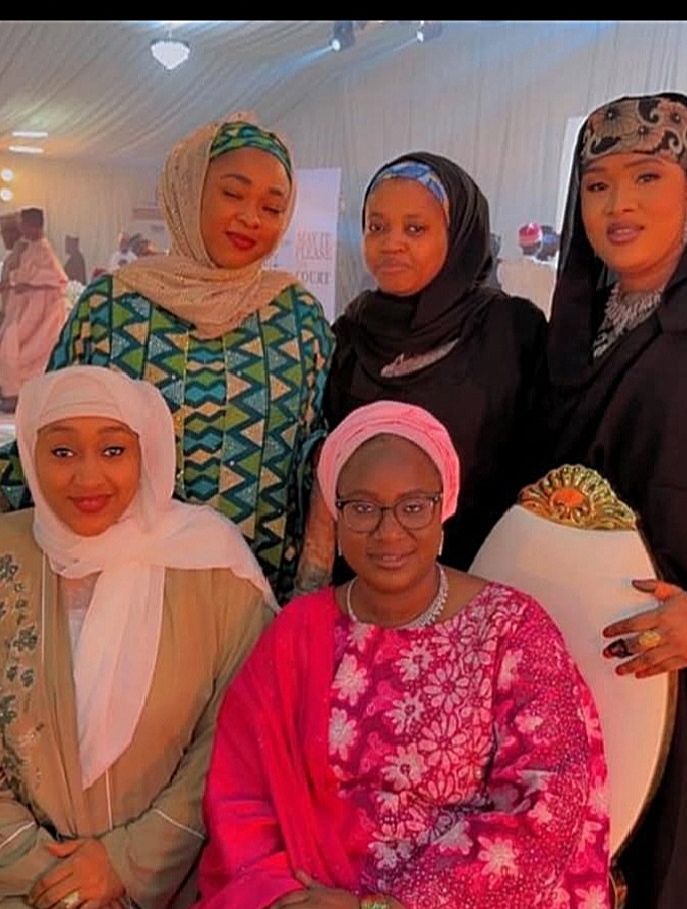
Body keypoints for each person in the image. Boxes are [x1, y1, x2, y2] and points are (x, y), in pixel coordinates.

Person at [196, 400, 610, 909]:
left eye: (413, 506)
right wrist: (282, 895)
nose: (388, 532)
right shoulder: (296, 635)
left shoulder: (512, 629)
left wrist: (387, 906)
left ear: (443, 509)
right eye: (362, 507)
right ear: (337, 515)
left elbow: (550, 805)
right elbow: (241, 797)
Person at [0, 114, 334, 602]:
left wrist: (311, 591)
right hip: (118, 592)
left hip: (258, 597)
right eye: (233, 194)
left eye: (272, 207)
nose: (252, 217)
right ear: (188, 190)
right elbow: (52, 430)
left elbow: (320, 455)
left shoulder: (297, 318)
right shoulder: (113, 307)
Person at [0, 364, 274, 909]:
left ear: (146, 452)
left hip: (175, 884)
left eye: (113, 450)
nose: (88, 477)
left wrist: (126, 863)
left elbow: (238, 736)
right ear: (31, 456)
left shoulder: (215, 568)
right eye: (62, 452)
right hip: (5, 883)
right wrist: (42, 870)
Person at [546, 90, 687, 909]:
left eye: (647, 176)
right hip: (580, 668)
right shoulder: (570, 331)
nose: (618, 204)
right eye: (597, 185)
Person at [298, 153, 546, 592]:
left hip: (481, 580)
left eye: (415, 229)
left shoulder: (509, 331)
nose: (391, 244)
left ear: (459, 234)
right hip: (368, 586)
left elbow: (540, 459)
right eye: (377, 227)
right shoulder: (352, 333)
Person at [0, 208, 69, 411]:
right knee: (8, 350)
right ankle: (14, 395)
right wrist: (9, 284)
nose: (20, 229)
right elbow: (24, 276)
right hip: (25, 311)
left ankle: (20, 397)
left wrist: (21, 284)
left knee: (21, 353)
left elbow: (57, 280)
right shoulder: (29, 248)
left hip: (41, 316)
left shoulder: (45, 251)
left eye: (23, 225)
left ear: (33, 226)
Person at [497, 222, 557, 318]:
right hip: (540, 323)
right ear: (539, 245)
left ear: (520, 244)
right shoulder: (551, 272)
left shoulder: (504, 268)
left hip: (511, 321)